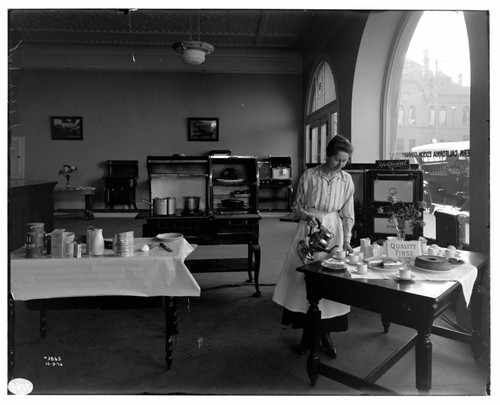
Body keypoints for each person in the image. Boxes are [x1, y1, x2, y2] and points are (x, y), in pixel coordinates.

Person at [272, 135, 355, 358]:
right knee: (303, 280)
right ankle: (307, 334)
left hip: (334, 230)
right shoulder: (309, 176)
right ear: (327, 155)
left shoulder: (346, 180)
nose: (341, 165)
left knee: (330, 280)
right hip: (310, 229)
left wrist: (346, 239)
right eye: (337, 160)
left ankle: (326, 333)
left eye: (345, 161)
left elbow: (347, 214)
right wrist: (307, 216)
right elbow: (296, 205)